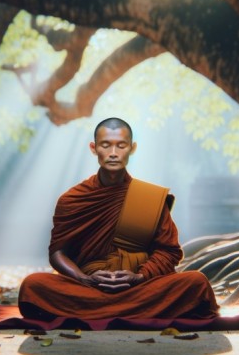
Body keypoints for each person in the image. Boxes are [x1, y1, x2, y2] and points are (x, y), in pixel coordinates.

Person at [18, 117, 219, 320]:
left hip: (138, 288)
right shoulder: (72, 199)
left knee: (196, 282)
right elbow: (57, 253)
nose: (113, 153)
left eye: (121, 146)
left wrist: (140, 277)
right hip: (90, 287)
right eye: (106, 145)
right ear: (93, 148)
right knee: (33, 285)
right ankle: (139, 312)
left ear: (132, 148)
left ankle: (95, 312)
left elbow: (168, 251)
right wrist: (84, 279)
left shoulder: (149, 197)